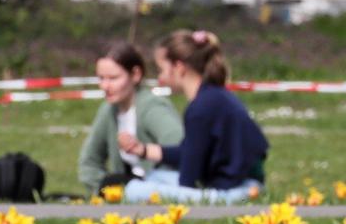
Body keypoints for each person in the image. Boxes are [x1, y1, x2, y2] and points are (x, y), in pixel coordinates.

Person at [118, 30, 268, 204]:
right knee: (156, 176)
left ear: (179, 68)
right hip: (247, 186)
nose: (160, 77)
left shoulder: (200, 109)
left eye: (162, 70)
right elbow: (190, 151)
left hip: (229, 193)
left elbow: (189, 181)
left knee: (133, 190)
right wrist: (143, 150)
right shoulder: (215, 96)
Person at [77, 41, 184, 195]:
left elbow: (179, 147)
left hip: (159, 189)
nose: (105, 86)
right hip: (128, 190)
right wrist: (107, 190)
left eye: (113, 78)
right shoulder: (108, 110)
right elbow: (89, 162)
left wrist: (152, 187)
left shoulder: (153, 107)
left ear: (135, 74)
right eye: (101, 78)